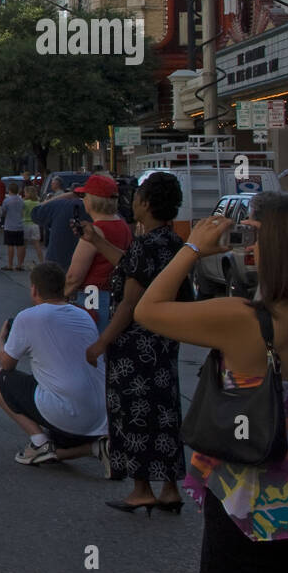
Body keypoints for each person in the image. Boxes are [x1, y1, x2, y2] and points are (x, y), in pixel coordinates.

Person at [135, 193, 288, 573]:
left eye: (257, 238)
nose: (251, 247)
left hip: (249, 499)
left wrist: (191, 249)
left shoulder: (243, 320)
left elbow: (148, 310)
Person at [82, 172, 192, 513]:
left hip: (135, 348)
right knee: (165, 412)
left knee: (133, 415)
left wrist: (101, 343)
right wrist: (98, 242)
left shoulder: (145, 244)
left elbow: (130, 303)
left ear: (146, 203)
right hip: (164, 343)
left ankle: (141, 487)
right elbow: (134, 267)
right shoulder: (172, 243)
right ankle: (171, 487)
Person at [0, 262, 109, 465]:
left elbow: (7, 364)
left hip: (66, 414)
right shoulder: (84, 316)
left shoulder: (28, 317)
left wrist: (1, 340)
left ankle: (39, 442)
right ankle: (94, 447)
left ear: (34, 289)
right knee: (59, 438)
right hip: (99, 416)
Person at [64, 174, 133, 330]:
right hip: (115, 296)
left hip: (93, 295)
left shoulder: (94, 232)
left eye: (85, 196)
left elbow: (74, 276)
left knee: (92, 338)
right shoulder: (122, 225)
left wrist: (61, 296)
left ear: (93, 200)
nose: (84, 200)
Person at [32, 183, 88, 272]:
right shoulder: (94, 209)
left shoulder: (60, 205)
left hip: (57, 265)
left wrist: (63, 196)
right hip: (86, 268)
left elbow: (35, 212)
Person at [0, 182, 26, 270]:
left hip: (9, 225)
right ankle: (19, 264)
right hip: (19, 225)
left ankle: (10, 264)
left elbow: (3, 211)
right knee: (19, 245)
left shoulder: (7, 200)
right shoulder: (21, 200)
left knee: (10, 245)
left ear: (9, 190)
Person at [22, 184, 44, 268]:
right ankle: (41, 262)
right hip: (35, 225)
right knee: (37, 245)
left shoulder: (25, 203)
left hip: (26, 224)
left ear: (28, 193)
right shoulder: (38, 203)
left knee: (24, 245)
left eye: (25, 192)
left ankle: (22, 262)